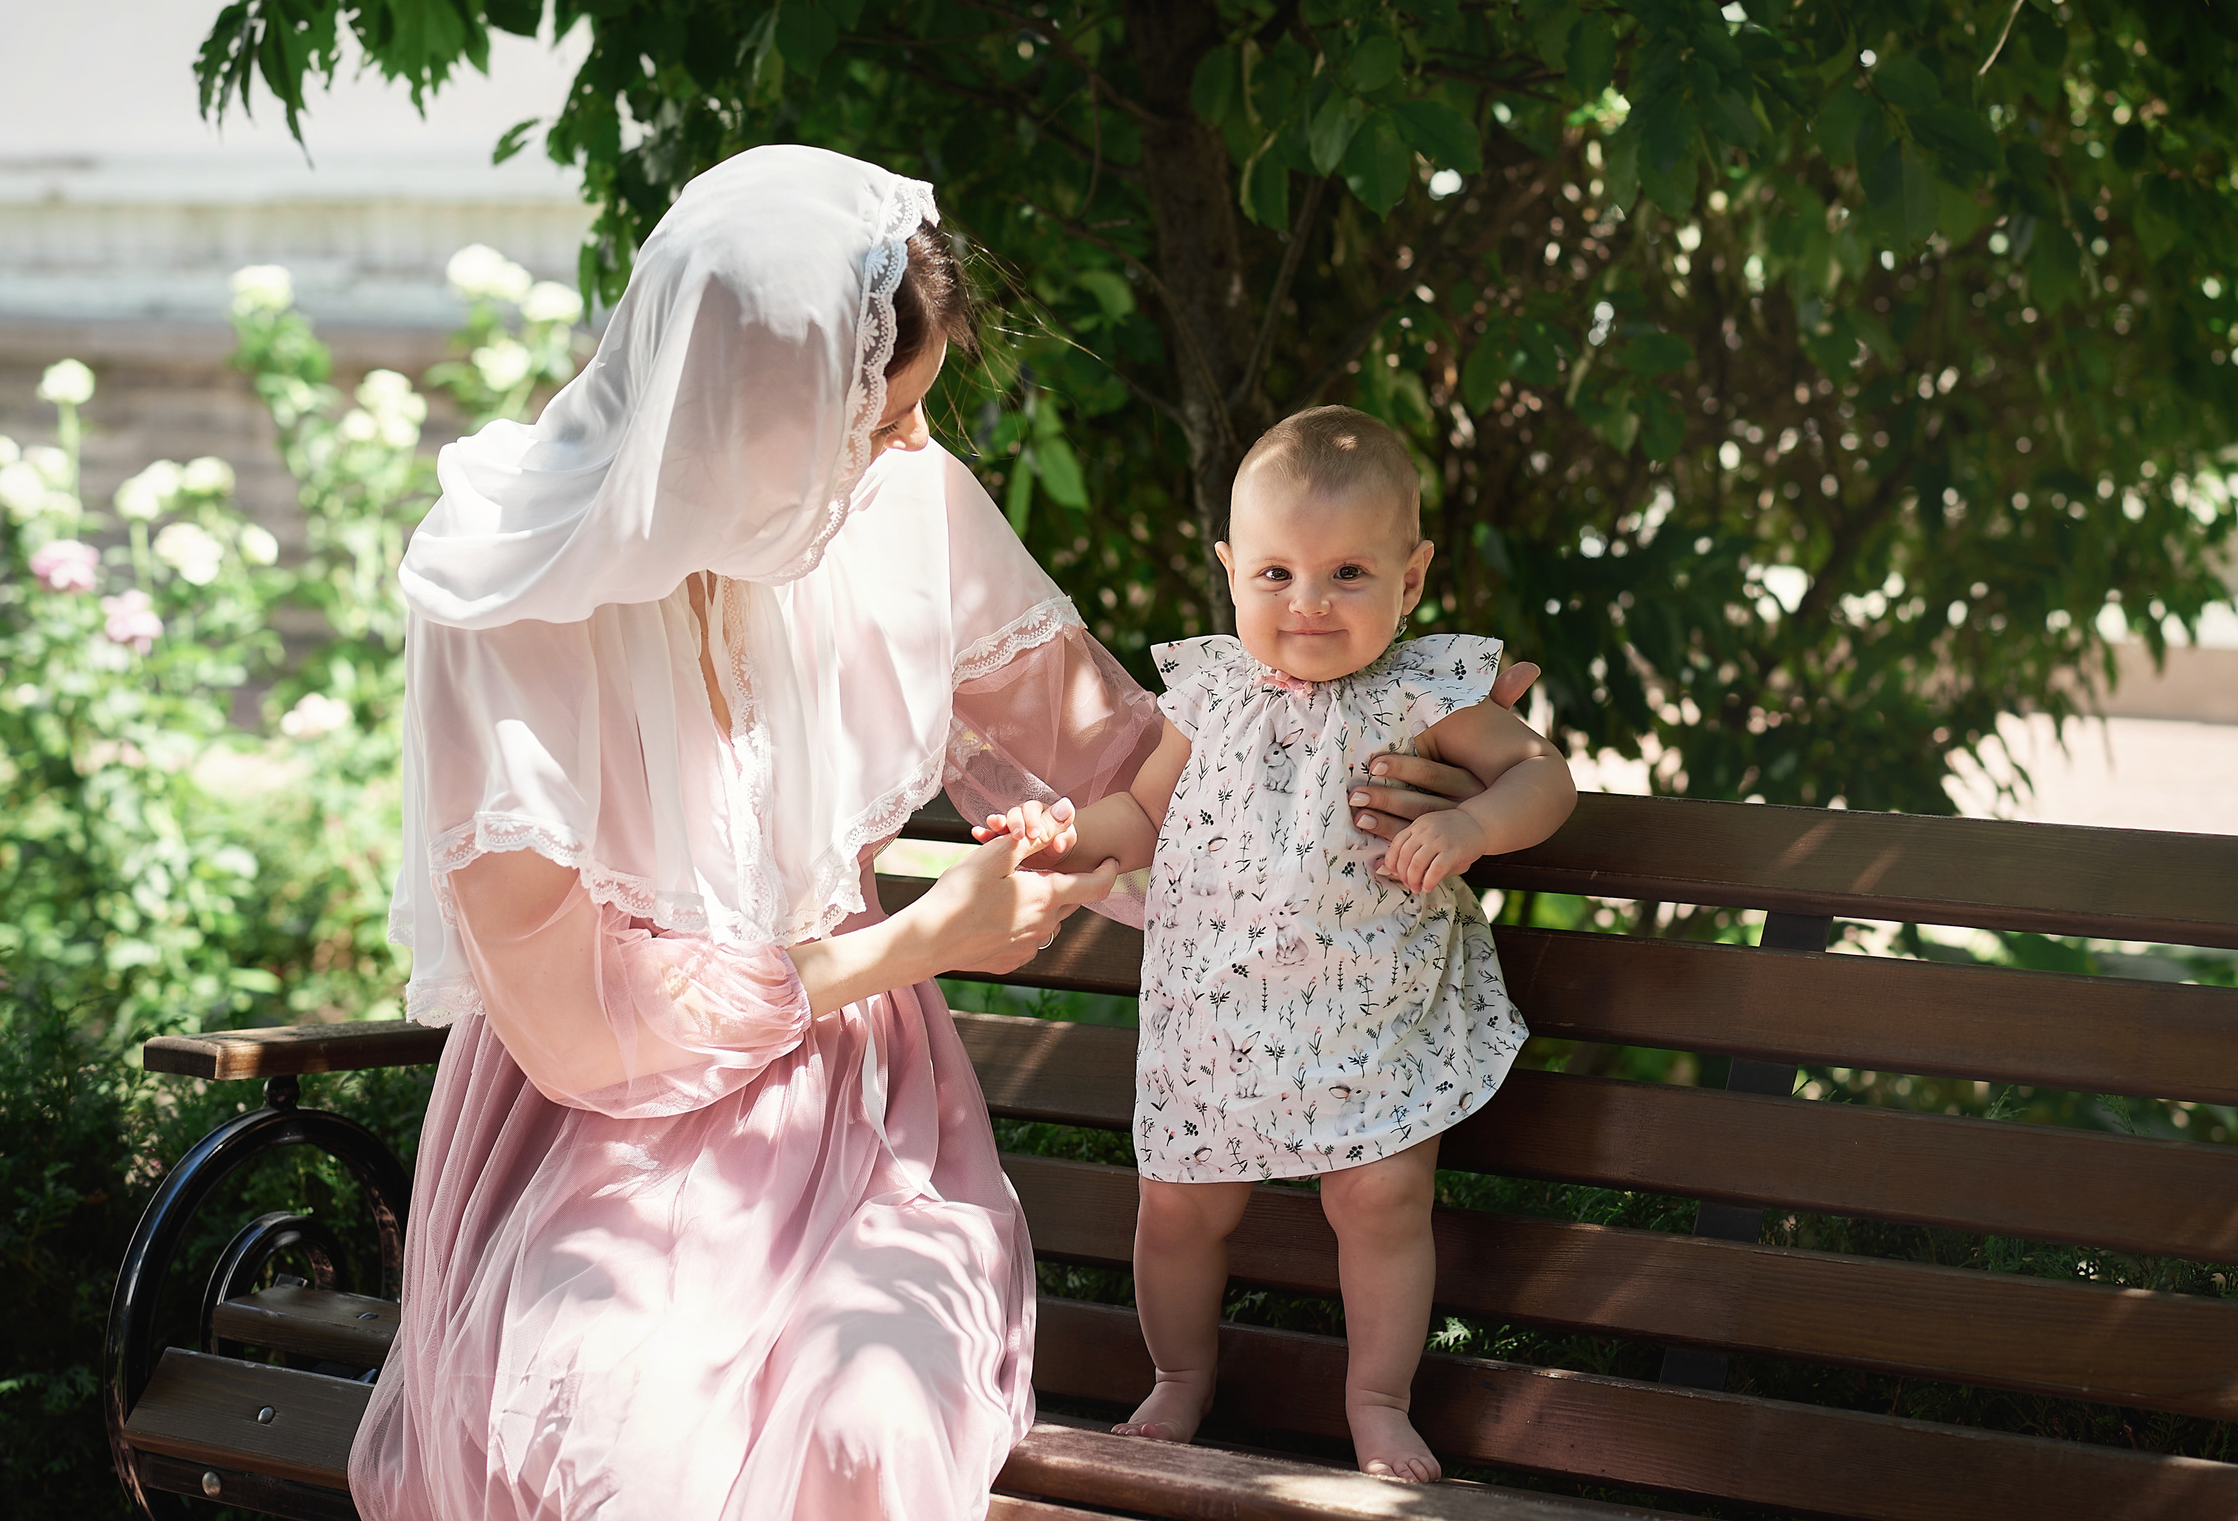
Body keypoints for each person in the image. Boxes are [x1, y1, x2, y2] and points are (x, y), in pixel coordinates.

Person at [348, 149, 1529, 1520]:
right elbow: (577, 1026)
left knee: (872, 1418)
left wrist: (1398, 730)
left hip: (861, 1127)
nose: (913, 444)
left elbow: (1139, 767)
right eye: (878, 414)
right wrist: (922, 937)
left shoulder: (904, 505)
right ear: (751, 405)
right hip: (595, 1140)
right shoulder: (508, 587)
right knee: (611, 1442)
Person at [975, 406, 1575, 1483]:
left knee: (1381, 1198)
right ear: (1229, 568)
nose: (1307, 603)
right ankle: (1179, 1375)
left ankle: (1378, 1398)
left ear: (1413, 571)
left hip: (1369, 1009)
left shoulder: (1424, 692)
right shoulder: (1206, 697)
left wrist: (1471, 824)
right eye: (1274, 573)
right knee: (1177, 1206)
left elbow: (1544, 775)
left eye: (1348, 571)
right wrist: (1066, 838)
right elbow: (1139, 816)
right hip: (1218, 1019)